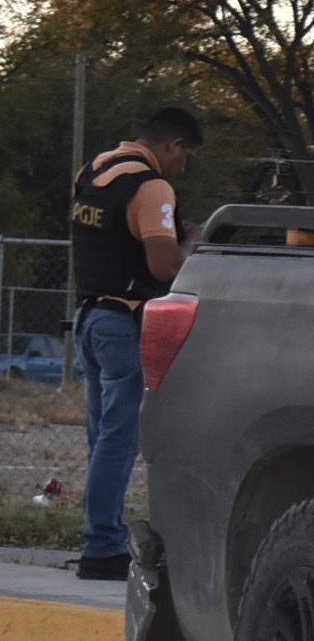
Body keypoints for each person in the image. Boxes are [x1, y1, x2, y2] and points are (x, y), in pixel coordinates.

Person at [67, 107, 204, 581]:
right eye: (186, 156)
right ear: (175, 144)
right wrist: (192, 243)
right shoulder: (152, 187)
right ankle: (102, 549)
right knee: (120, 441)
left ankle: (99, 536)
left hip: (88, 319)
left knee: (102, 439)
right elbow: (165, 268)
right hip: (125, 323)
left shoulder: (95, 170)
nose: (183, 167)